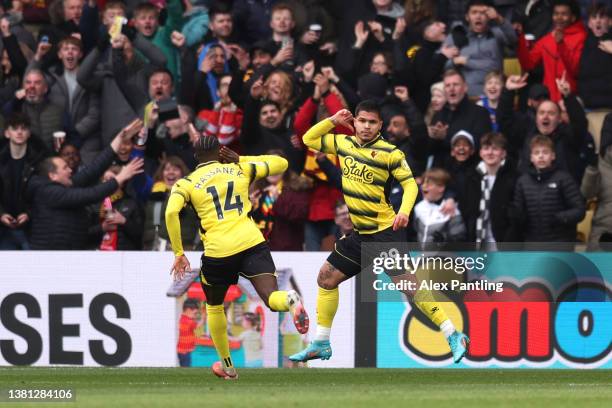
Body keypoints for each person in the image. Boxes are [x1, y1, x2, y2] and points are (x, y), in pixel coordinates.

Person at [289, 101, 469, 364]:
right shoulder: (344, 144)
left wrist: (404, 211)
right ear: (355, 121)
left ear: (380, 125)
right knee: (326, 278)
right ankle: (321, 342)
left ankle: (453, 334)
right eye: (362, 120)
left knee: (408, 286)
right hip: (361, 234)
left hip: (385, 232)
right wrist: (334, 120)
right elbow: (308, 138)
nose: (366, 126)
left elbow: (410, 186)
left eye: (372, 122)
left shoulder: (390, 153)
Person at [165, 136, 309, 380]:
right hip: (252, 243)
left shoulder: (186, 183)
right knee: (272, 299)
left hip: (219, 252)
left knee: (214, 306)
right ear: (220, 152)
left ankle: (228, 366)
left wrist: (179, 253)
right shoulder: (239, 168)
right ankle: (290, 299)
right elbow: (281, 164)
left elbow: (171, 212)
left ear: (195, 157)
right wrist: (240, 158)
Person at [26, 119, 144, 250]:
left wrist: (119, 139)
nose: (70, 170)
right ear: (52, 176)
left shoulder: (65, 186)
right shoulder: (48, 192)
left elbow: (93, 170)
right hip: (50, 258)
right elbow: (90, 194)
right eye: (65, 168)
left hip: (67, 254)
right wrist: (120, 177)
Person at [513, 134, 585, 242]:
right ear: (531, 157)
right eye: (536, 153)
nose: (541, 156)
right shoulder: (522, 182)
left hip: (560, 242)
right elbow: (517, 212)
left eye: (545, 152)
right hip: (531, 243)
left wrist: (560, 218)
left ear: (553, 156)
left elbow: (579, 210)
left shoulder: (564, 178)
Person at [516, 0, 587, 102]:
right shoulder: (548, 38)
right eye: (556, 14)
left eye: (564, 14)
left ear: (573, 17)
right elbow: (529, 64)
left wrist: (561, 44)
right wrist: (520, 39)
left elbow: (577, 70)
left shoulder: (582, 38)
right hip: (548, 100)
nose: (559, 18)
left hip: (570, 98)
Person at [0, 113, 48, 249]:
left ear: (29, 133)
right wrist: (1, 214)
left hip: (32, 227)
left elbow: (44, 194)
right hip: (3, 229)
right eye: (15, 128)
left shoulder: (40, 161)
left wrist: (29, 213)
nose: (19, 132)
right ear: (7, 133)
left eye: (24, 128)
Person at [413, 168, 466, 243]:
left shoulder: (451, 209)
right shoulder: (418, 207)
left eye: (429, 184)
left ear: (441, 187)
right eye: (423, 183)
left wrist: (444, 239)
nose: (424, 186)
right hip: (421, 254)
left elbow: (460, 238)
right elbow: (415, 232)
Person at [177, 298, 203, 367]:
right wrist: (204, 318)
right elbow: (198, 325)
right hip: (185, 351)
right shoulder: (188, 321)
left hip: (182, 350)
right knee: (186, 367)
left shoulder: (182, 319)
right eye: (194, 313)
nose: (194, 316)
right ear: (188, 310)